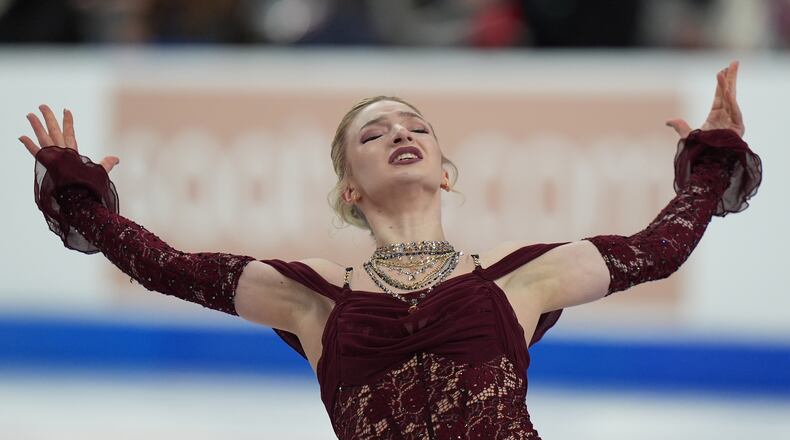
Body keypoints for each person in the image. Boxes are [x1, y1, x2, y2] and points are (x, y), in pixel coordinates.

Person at [20, 60, 761, 439]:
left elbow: (656, 249)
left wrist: (711, 163)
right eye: (373, 135)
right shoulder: (311, 299)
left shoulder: (519, 280)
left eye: (415, 127)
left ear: (444, 170)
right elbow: (169, 267)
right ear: (350, 189)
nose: (399, 134)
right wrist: (79, 199)